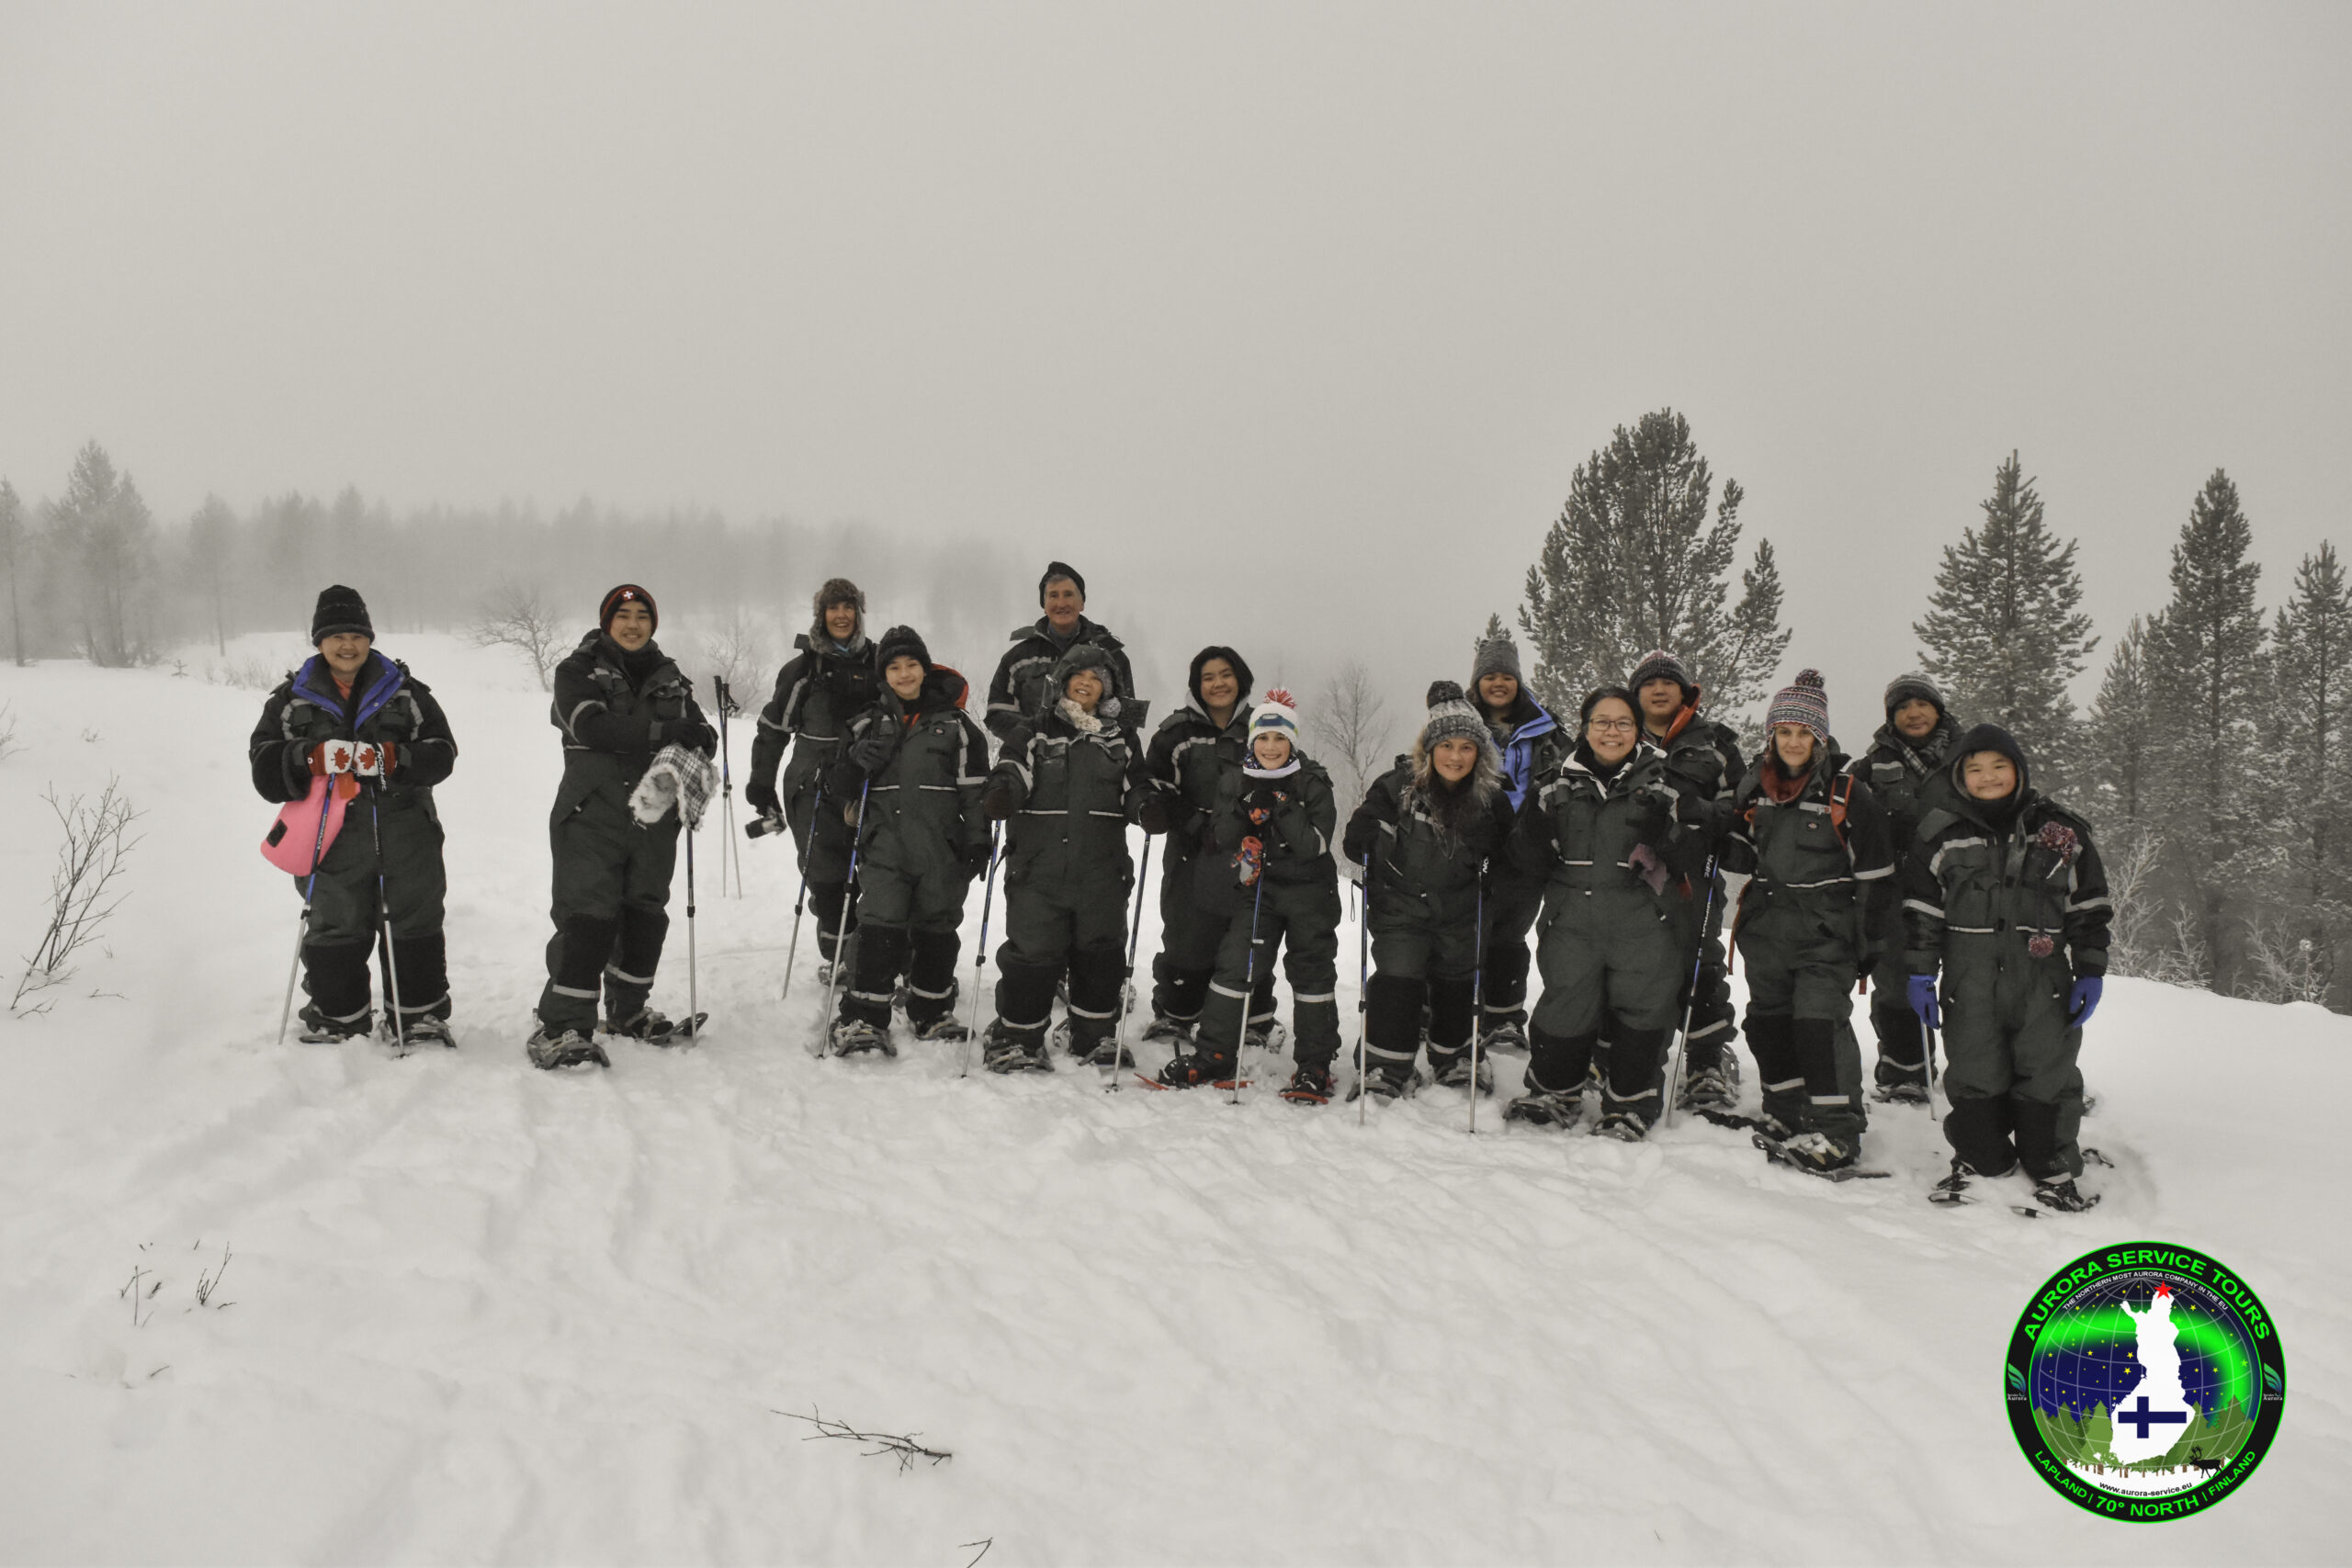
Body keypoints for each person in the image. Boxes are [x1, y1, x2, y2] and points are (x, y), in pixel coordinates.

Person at [1904, 724, 2110, 1212]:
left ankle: (2052, 1166)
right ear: (1960, 777)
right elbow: (1921, 911)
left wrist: (2091, 970)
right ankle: (1982, 1158)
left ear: (2018, 771)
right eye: (1974, 769)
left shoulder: (2062, 833)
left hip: (2044, 983)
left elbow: (2090, 907)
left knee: (2047, 1073)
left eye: (1998, 766)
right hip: (1967, 981)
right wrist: (1918, 973)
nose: (1987, 777)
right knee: (1975, 1070)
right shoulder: (1941, 836)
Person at [250, 585, 458, 1044]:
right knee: (335, 922)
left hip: (407, 832)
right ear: (319, 641)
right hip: (329, 836)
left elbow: (443, 754)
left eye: (357, 635)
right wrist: (310, 757)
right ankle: (339, 1016)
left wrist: (392, 757)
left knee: (415, 920)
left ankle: (417, 1015)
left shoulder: (407, 692)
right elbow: (264, 771)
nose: (348, 646)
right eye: (336, 636)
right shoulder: (289, 701)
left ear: (370, 637)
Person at [529, 584, 718, 1069]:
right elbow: (592, 727)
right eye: (623, 615)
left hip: (655, 816)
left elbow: (699, 730)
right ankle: (564, 1022)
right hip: (591, 814)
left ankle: (628, 1010)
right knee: (587, 917)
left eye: (642, 616)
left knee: (645, 917)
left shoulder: (671, 677)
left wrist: (702, 739)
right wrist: (666, 732)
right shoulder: (577, 671)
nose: (633, 624)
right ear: (607, 621)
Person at [1504, 687, 1703, 1138]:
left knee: (1642, 1011)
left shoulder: (1664, 784)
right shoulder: (1554, 784)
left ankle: (1630, 1104)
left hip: (1643, 923)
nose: (1611, 732)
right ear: (1585, 727)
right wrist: (1530, 837)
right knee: (1566, 1005)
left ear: (1636, 730)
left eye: (1622, 723)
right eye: (1601, 722)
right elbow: (1525, 860)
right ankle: (1553, 1092)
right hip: (1572, 920)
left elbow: (1697, 850)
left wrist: (1671, 835)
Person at [1720, 670, 1894, 1172]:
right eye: (1785, 731)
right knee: (1768, 1024)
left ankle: (1838, 1132)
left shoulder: (1847, 793)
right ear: (1771, 735)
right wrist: (1709, 826)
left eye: (1804, 733)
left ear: (1820, 738)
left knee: (1819, 1025)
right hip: (1767, 927)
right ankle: (1785, 1113)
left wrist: (1872, 944)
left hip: (1826, 930)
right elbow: (1740, 855)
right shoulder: (1756, 787)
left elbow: (1877, 875)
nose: (1794, 742)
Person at [978, 644, 1162, 1072]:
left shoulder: (1120, 739)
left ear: (1107, 688)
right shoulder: (1035, 730)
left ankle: (1093, 1036)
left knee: (1101, 956)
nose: (1086, 682)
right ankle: (1018, 1037)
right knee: (1032, 956)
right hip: (1037, 871)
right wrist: (1002, 793)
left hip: (1102, 870)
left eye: (1097, 677)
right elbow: (1012, 769)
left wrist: (1147, 806)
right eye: (1078, 674)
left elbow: (1136, 786)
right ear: (1061, 682)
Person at [1162, 692, 1345, 1100]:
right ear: (1252, 742)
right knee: (1235, 965)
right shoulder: (1236, 778)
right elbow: (1221, 837)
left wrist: (1279, 803)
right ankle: (1215, 1054)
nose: (1270, 748)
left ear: (1292, 742)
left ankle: (1315, 1064)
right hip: (1258, 888)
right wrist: (1244, 813)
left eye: (1279, 739)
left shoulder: (1312, 781)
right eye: (1262, 739)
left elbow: (1314, 846)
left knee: (1311, 974)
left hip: (1309, 894)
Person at [821, 626, 993, 1054]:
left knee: (938, 928)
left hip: (941, 850)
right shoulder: (865, 721)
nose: (903, 673)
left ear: (925, 668)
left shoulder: (956, 727)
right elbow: (837, 786)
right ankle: (863, 1017)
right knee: (880, 924)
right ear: (884, 674)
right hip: (884, 847)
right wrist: (855, 766)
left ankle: (932, 1012)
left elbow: (974, 790)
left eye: (911, 664)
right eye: (894, 667)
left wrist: (977, 840)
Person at [1342, 682, 1517, 1100]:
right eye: (1446, 745)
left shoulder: (1492, 799)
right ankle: (1385, 1065)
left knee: (1457, 983)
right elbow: (1354, 840)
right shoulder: (1397, 785)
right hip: (1402, 905)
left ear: (1479, 754)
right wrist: (1368, 835)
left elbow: (1512, 858)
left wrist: (1501, 863)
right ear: (1429, 747)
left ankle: (1455, 1058)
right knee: (1398, 981)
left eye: (1466, 748)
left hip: (1460, 908)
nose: (1455, 757)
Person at [1626, 649, 1747, 1111]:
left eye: (1668, 683)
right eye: (1649, 683)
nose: (1659, 690)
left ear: (1685, 692)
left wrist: (1697, 813)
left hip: (1693, 872)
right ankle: (1617, 1050)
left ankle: (1707, 1059)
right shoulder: (1618, 732)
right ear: (1636, 693)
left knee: (1700, 962)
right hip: (1630, 873)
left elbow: (1740, 802)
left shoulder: (1715, 743)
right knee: (1628, 963)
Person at [1141, 646, 1277, 1041]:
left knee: (1245, 929)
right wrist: (1190, 821)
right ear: (1196, 685)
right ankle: (1178, 1011)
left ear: (1241, 679)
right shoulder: (1176, 732)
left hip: (1248, 850)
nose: (1218, 684)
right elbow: (1157, 786)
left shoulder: (1262, 728)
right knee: (1188, 929)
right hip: (1193, 849)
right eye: (1208, 677)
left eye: (1226, 674)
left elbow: (1284, 778)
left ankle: (1254, 1014)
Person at [747, 579, 879, 986]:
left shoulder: (880, 661)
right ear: (821, 614)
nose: (841, 615)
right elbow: (773, 729)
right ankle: (841, 958)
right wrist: (761, 783)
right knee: (827, 876)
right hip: (813, 782)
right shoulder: (804, 669)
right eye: (832, 607)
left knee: (876, 873)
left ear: (859, 612)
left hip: (870, 780)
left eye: (848, 607)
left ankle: (877, 957)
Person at [1847, 671, 1962, 1101]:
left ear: (1938, 709)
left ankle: (1980, 1070)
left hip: (1962, 889)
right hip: (1896, 894)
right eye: (1902, 707)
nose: (1913, 713)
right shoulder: (1871, 766)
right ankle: (1905, 1070)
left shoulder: (1969, 759)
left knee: (1969, 982)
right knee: (1896, 982)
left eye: (1921, 704)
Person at [1467, 636, 1559, 1054]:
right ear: (1478, 681)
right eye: (1490, 676)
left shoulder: (1547, 728)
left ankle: (1503, 1017)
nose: (1498, 683)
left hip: (1526, 849)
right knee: (1462, 932)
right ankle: (1448, 1010)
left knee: (1509, 934)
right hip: (1468, 845)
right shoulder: (1460, 721)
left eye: (1507, 676)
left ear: (1518, 681)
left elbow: (1565, 776)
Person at [985, 561, 1138, 745]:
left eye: (1068, 595)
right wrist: (1037, 736)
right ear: (1044, 604)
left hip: (1096, 765)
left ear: (1082, 603)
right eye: (1053, 596)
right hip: (1033, 764)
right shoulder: (1019, 658)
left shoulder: (1111, 655)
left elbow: (1129, 719)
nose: (1061, 603)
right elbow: (997, 714)